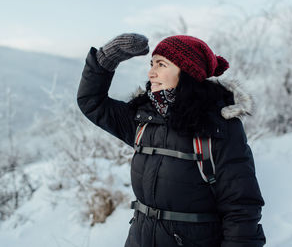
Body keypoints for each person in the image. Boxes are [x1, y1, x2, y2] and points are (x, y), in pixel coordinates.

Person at [77, 33, 266, 247]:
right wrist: (106, 58)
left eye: (161, 64)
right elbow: (91, 103)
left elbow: (241, 211)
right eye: (151, 64)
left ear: (186, 72)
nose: (151, 73)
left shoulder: (218, 127)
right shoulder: (144, 119)